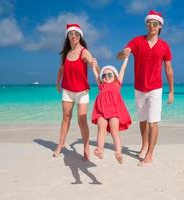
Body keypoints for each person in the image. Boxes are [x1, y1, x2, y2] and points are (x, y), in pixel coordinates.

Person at [117, 10, 174, 165]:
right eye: (149, 24)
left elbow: (168, 69)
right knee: (142, 121)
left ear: (160, 26)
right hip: (139, 88)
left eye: (154, 24)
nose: (151, 26)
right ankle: (144, 146)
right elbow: (119, 57)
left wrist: (171, 91)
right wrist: (124, 52)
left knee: (153, 122)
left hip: (155, 88)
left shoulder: (164, 47)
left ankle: (149, 155)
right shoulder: (136, 41)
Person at [54, 23, 97, 160]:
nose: (74, 36)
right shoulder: (66, 53)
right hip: (67, 90)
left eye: (76, 34)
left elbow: (94, 66)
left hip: (82, 92)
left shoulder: (84, 52)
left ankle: (86, 148)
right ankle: (60, 145)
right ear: (68, 36)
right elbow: (61, 69)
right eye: (71, 34)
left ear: (80, 36)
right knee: (66, 117)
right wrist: (58, 82)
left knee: (82, 120)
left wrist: (97, 69)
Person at [90, 58, 132, 164]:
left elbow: (122, 70)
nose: (106, 77)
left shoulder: (117, 84)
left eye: (109, 75)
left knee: (114, 131)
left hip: (114, 112)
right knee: (101, 129)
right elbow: (96, 74)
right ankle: (100, 150)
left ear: (115, 76)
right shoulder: (101, 86)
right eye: (104, 75)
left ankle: (118, 153)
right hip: (101, 112)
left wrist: (126, 59)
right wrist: (93, 66)